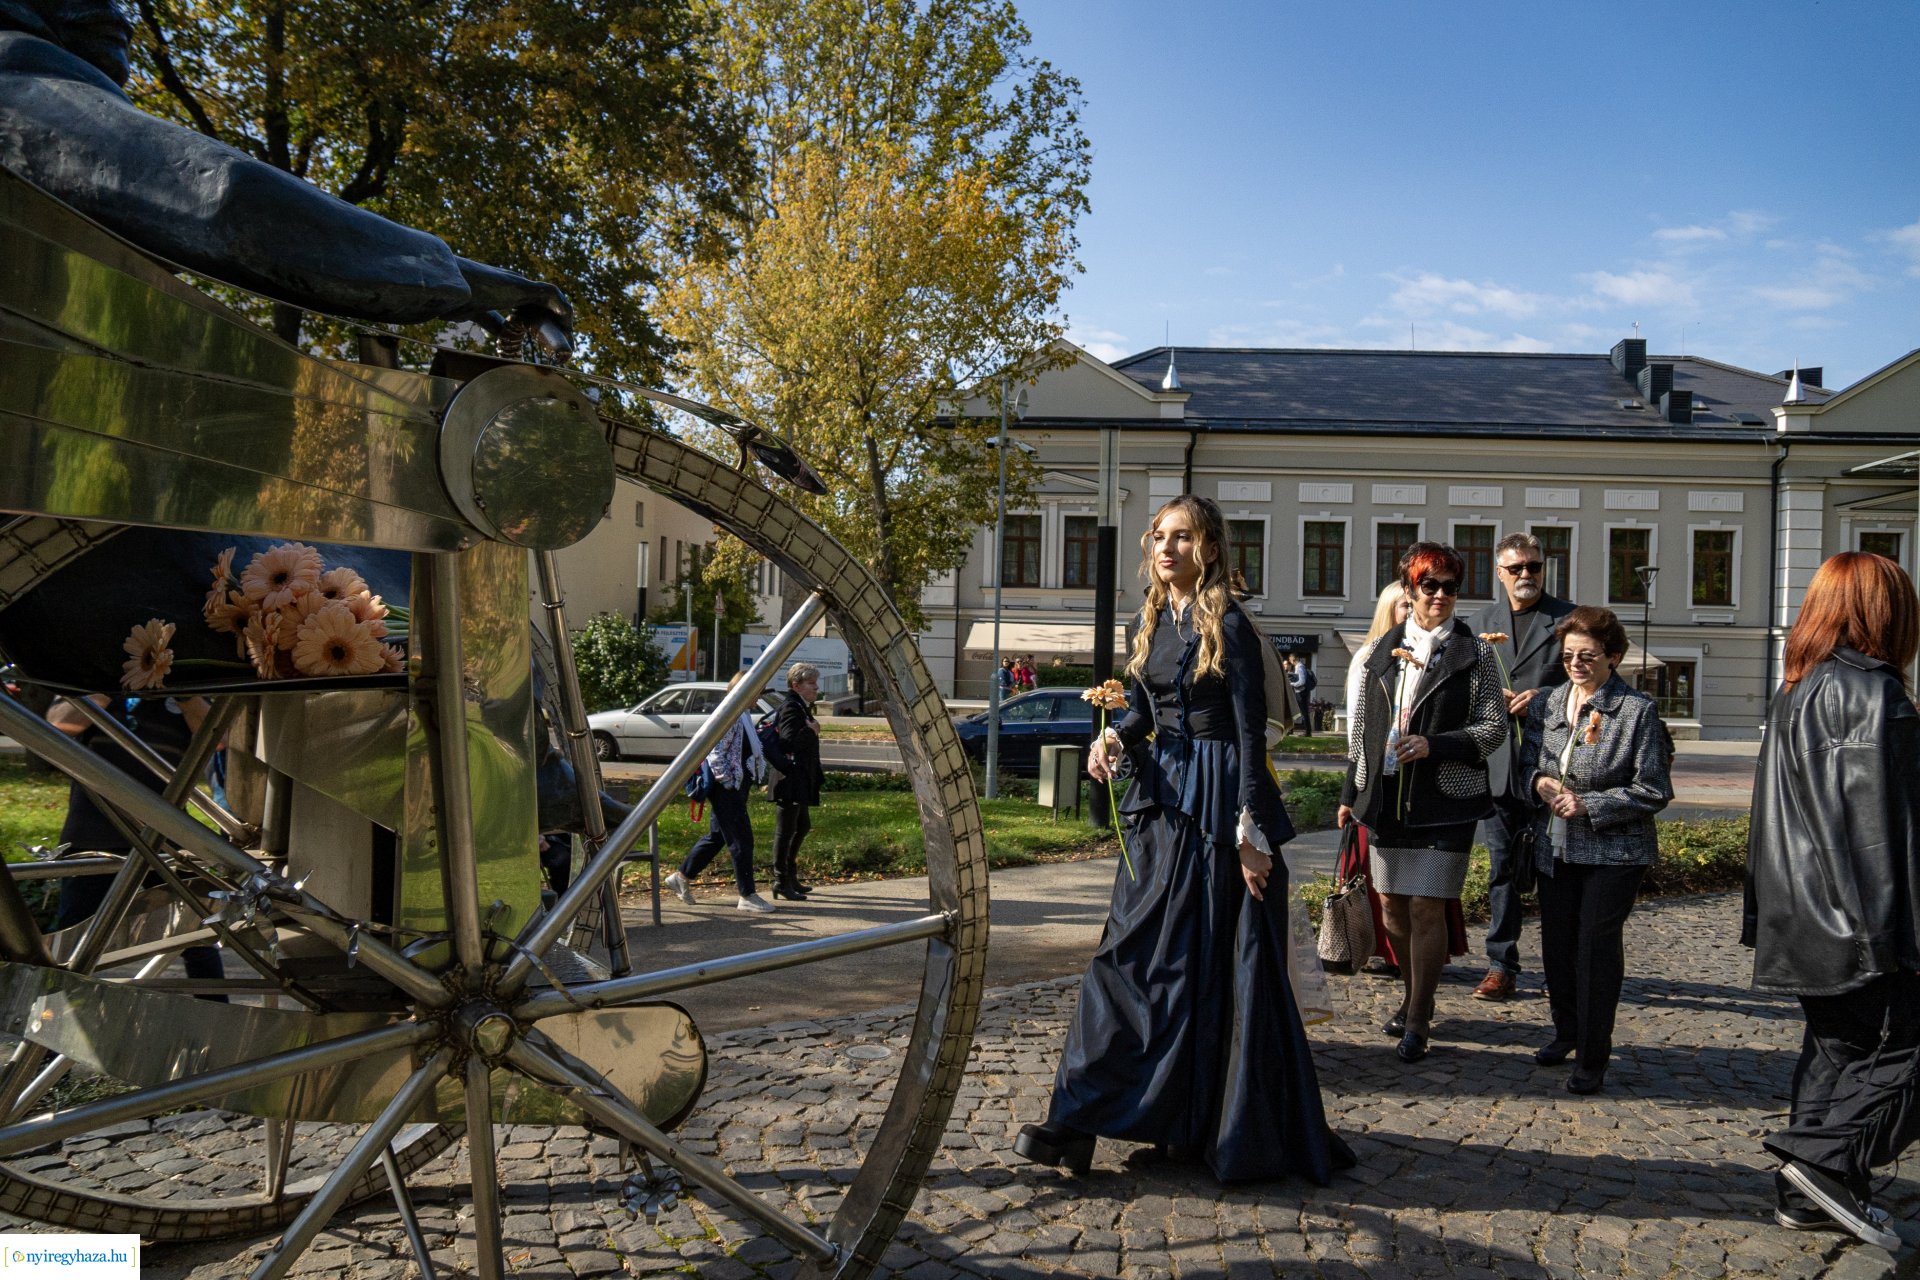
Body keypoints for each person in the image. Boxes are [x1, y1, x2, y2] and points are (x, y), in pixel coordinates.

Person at [1013, 495, 1352, 1184]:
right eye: (1159, 537)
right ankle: (1079, 1116)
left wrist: (1251, 832)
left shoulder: (1225, 621)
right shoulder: (1152, 619)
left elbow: (1253, 733)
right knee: (1126, 960)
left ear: (1210, 547)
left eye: (1183, 537)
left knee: (1199, 972)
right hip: (1161, 804)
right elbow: (1144, 710)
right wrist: (1111, 736)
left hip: (1218, 804)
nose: (1166, 549)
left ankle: (1183, 1125)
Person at [1743, 551, 1920, 1250]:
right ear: (1886, 613)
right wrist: (1894, 940)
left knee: (1836, 1049)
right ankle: (1824, 1160)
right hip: (1863, 923)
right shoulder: (1877, 695)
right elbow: (1885, 836)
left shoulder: (1797, 689)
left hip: (1801, 917)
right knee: (1899, 1048)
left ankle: (1806, 1196)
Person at [1339, 542, 1506, 1063]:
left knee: (1428, 907)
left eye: (1449, 587)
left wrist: (1437, 744)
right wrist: (1351, 795)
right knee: (1391, 906)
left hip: (1447, 800)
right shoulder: (1376, 654)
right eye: (1428, 585)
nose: (1439, 596)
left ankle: (1417, 1017)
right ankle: (1414, 996)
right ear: (1409, 591)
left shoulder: (1475, 653)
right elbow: (1362, 734)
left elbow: (1493, 728)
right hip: (1386, 799)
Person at [1518, 606, 1671, 1096]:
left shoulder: (1636, 710)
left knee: (1594, 952)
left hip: (1613, 854)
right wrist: (1539, 782)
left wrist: (1589, 804)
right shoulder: (1549, 702)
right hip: (1554, 848)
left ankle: (1592, 1057)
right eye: (1568, 657)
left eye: (1587, 656)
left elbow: (1653, 789)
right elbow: (1527, 765)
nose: (1576, 664)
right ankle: (1566, 1032)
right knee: (1556, 950)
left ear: (1614, 657)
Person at [1463, 531, 1578, 1002]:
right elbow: (1463, 693)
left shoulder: (1568, 619)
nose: (1526, 575)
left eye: (1533, 566)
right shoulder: (1476, 624)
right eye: (1516, 569)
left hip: (1554, 768)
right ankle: (1501, 964)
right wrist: (1491, 699)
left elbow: (1589, 683)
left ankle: (1561, 969)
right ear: (1499, 572)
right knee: (1502, 869)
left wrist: (1546, 698)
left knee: (1557, 872)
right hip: (1498, 766)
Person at [46, 692, 224, 985]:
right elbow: (59, 724)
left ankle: (217, 1009)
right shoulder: (87, 678)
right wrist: (106, 685)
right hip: (93, 836)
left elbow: (218, 740)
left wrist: (185, 696)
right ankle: (55, 1011)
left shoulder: (185, 684)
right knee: (73, 939)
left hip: (165, 837)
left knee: (195, 936)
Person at [663, 671, 774, 914]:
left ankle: (681, 876)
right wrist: (728, 783)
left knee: (717, 836)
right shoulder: (731, 715)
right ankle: (747, 895)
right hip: (728, 788)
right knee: (742, 840)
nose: (759, 697)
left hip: (734, 785)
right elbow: (716, 753)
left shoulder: (741, 714)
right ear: (744, 690)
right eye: (757, 692)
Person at [769, 662, 825, 901]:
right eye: (811, 683)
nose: (816, 687)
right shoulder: (792, 708)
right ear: (796, 685)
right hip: (789, 780)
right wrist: (811, 731)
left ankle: (790, 876)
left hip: (799, 779)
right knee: (786, 831)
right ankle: (781, 880)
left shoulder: (800, 706)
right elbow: (788, 743)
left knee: (800, 827)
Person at [1285, 653, 1317, 734]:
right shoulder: (1299, 667)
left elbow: (1302, 681)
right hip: (1300, 692)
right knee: (1299, 711)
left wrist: (1292, 684)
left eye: (1290, 660)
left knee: (1303, 712)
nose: (1290, 661)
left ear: (1293, 659)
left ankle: (1307, 731)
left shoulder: (1299, 667)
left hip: (1301, 692)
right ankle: (1294, 730)